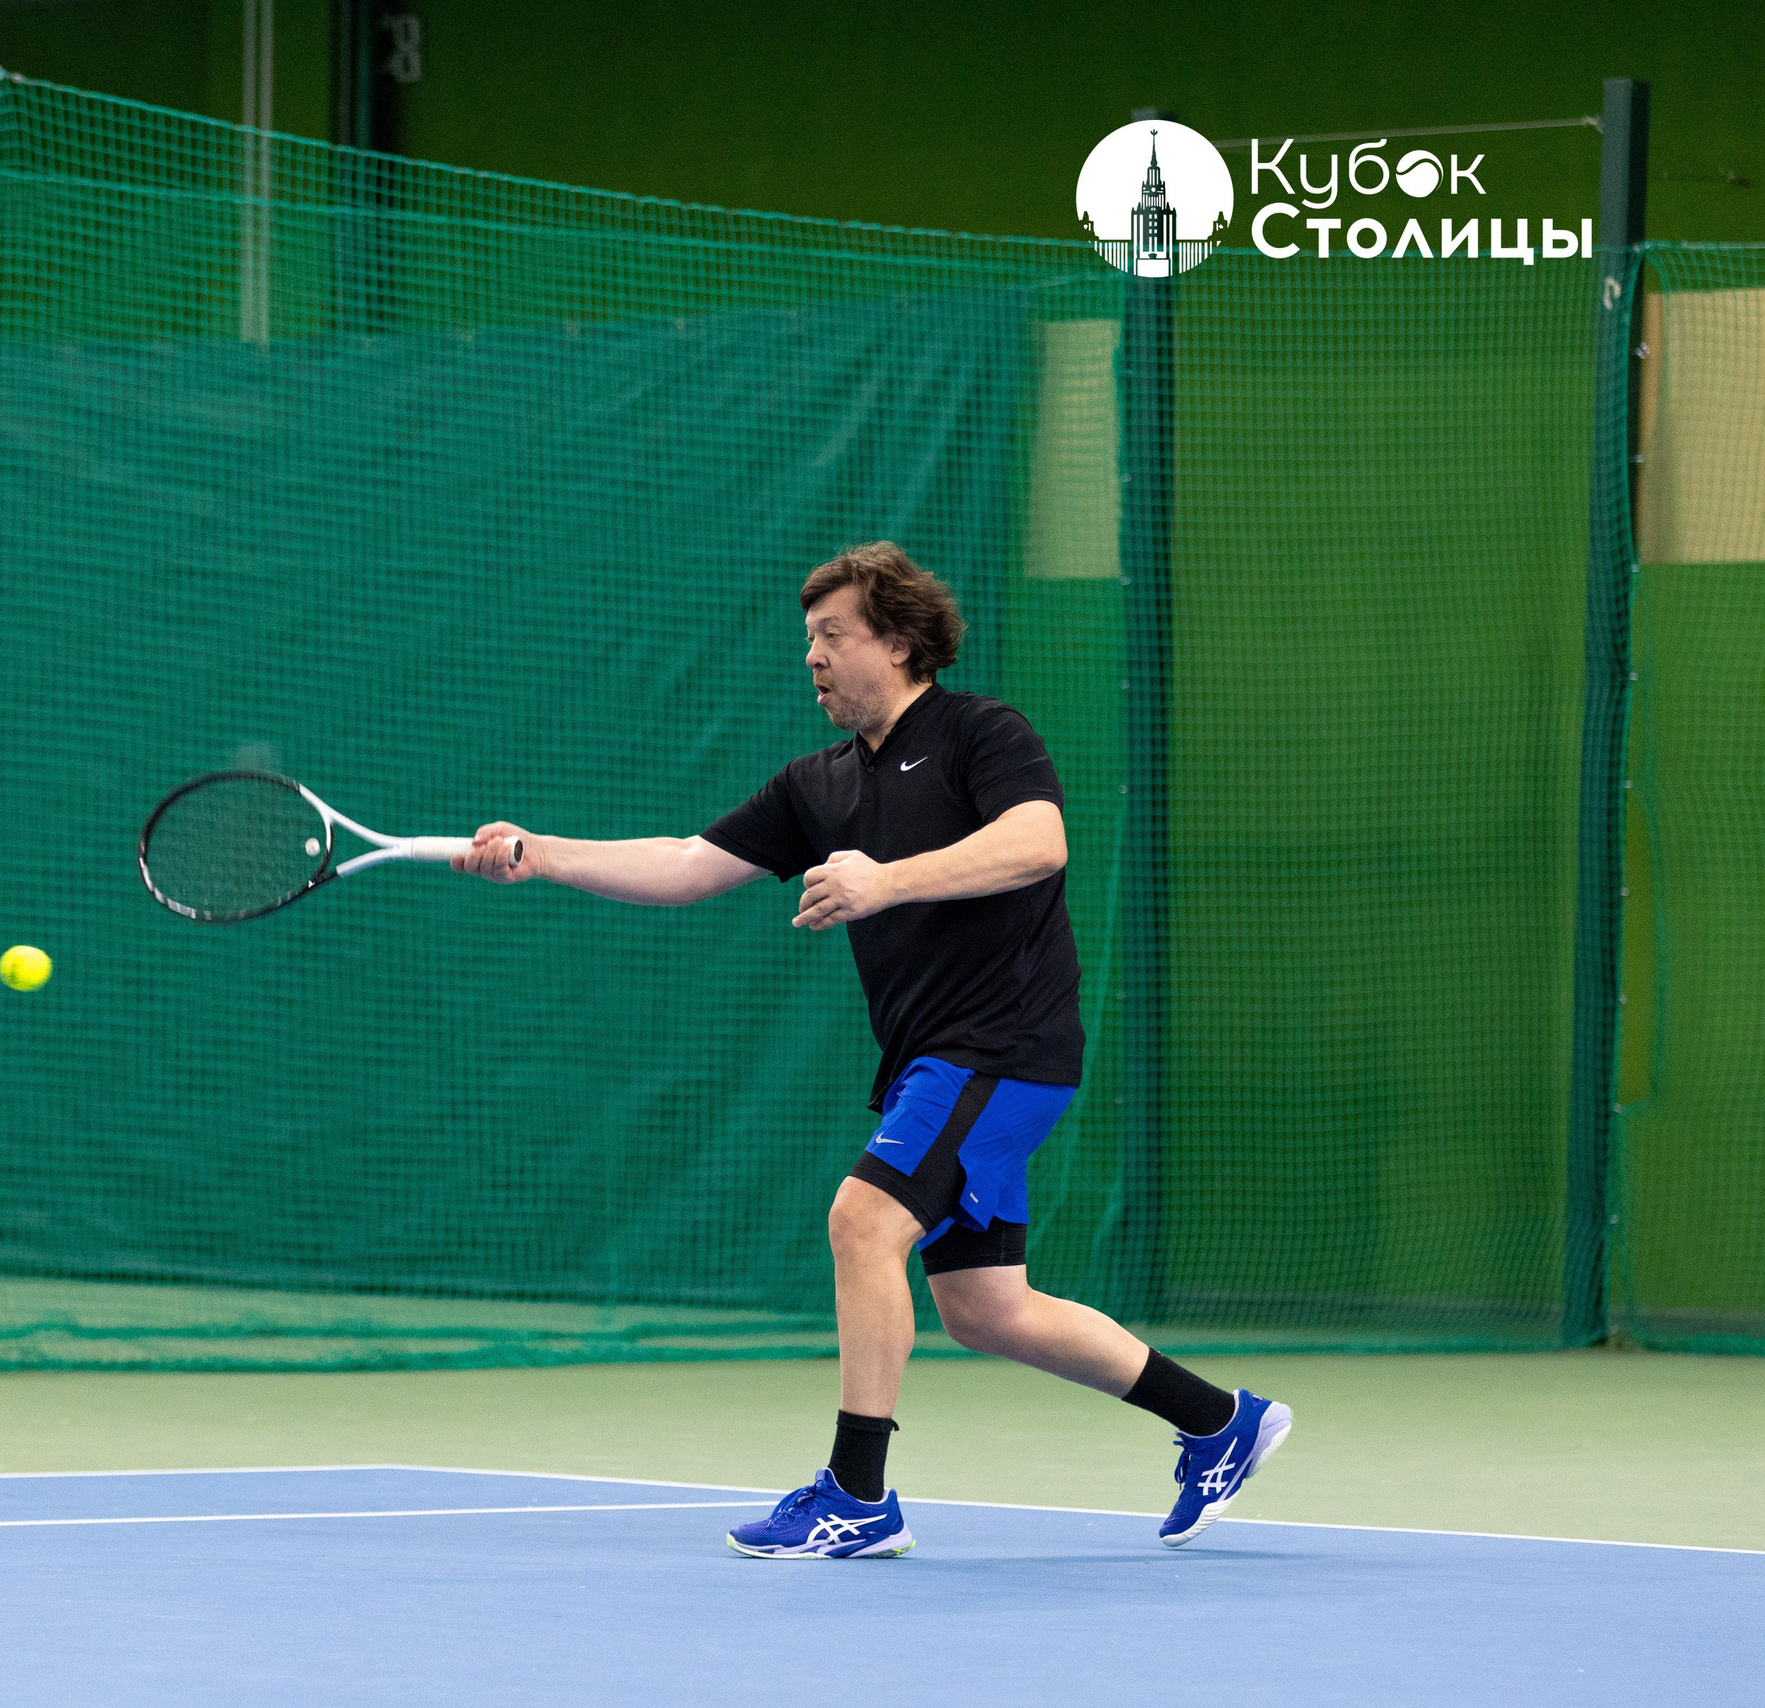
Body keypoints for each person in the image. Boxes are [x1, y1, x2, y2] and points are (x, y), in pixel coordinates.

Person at [456, 541, 1290, 1556]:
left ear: (897, 640)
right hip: (938, 1061)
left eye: (832, 635)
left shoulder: (981, 731)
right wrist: (541, 855)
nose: (811, 656)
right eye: (807, 637)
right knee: (986, 1308)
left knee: (862, 1222)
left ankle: (857, 1493)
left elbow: (1039, 843)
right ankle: (1218, 1421)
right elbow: (683, 865)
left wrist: (887, 881)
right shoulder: (817, 785)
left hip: (1001, 1045)